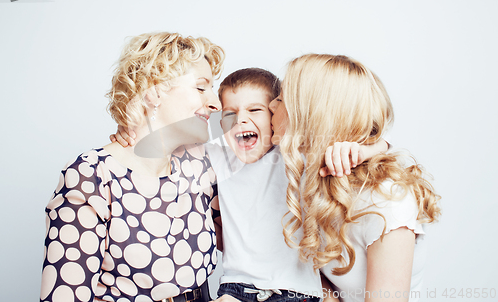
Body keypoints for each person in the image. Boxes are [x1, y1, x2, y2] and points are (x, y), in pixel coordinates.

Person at [112, 67, 389, 302]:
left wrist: (370, 148)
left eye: (255, 110)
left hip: (299, 293)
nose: (241, 119)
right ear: (220, 123)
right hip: (236, 291)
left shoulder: (296, 156)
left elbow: (381, 147)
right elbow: (161, 144)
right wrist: (131, 129)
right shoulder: (216, 157)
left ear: (275, 117)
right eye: (230, 113)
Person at [40, 32, 225, 302]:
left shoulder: (200, 164)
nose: (215, 103)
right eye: (200, 87)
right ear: (154, 89)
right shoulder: (92, 176)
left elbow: (249, 244)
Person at [268, 54, 441, 302]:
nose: (272, 106)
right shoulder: (314, 179)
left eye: (282, 98)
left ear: (312, 114)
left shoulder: (385, 202)